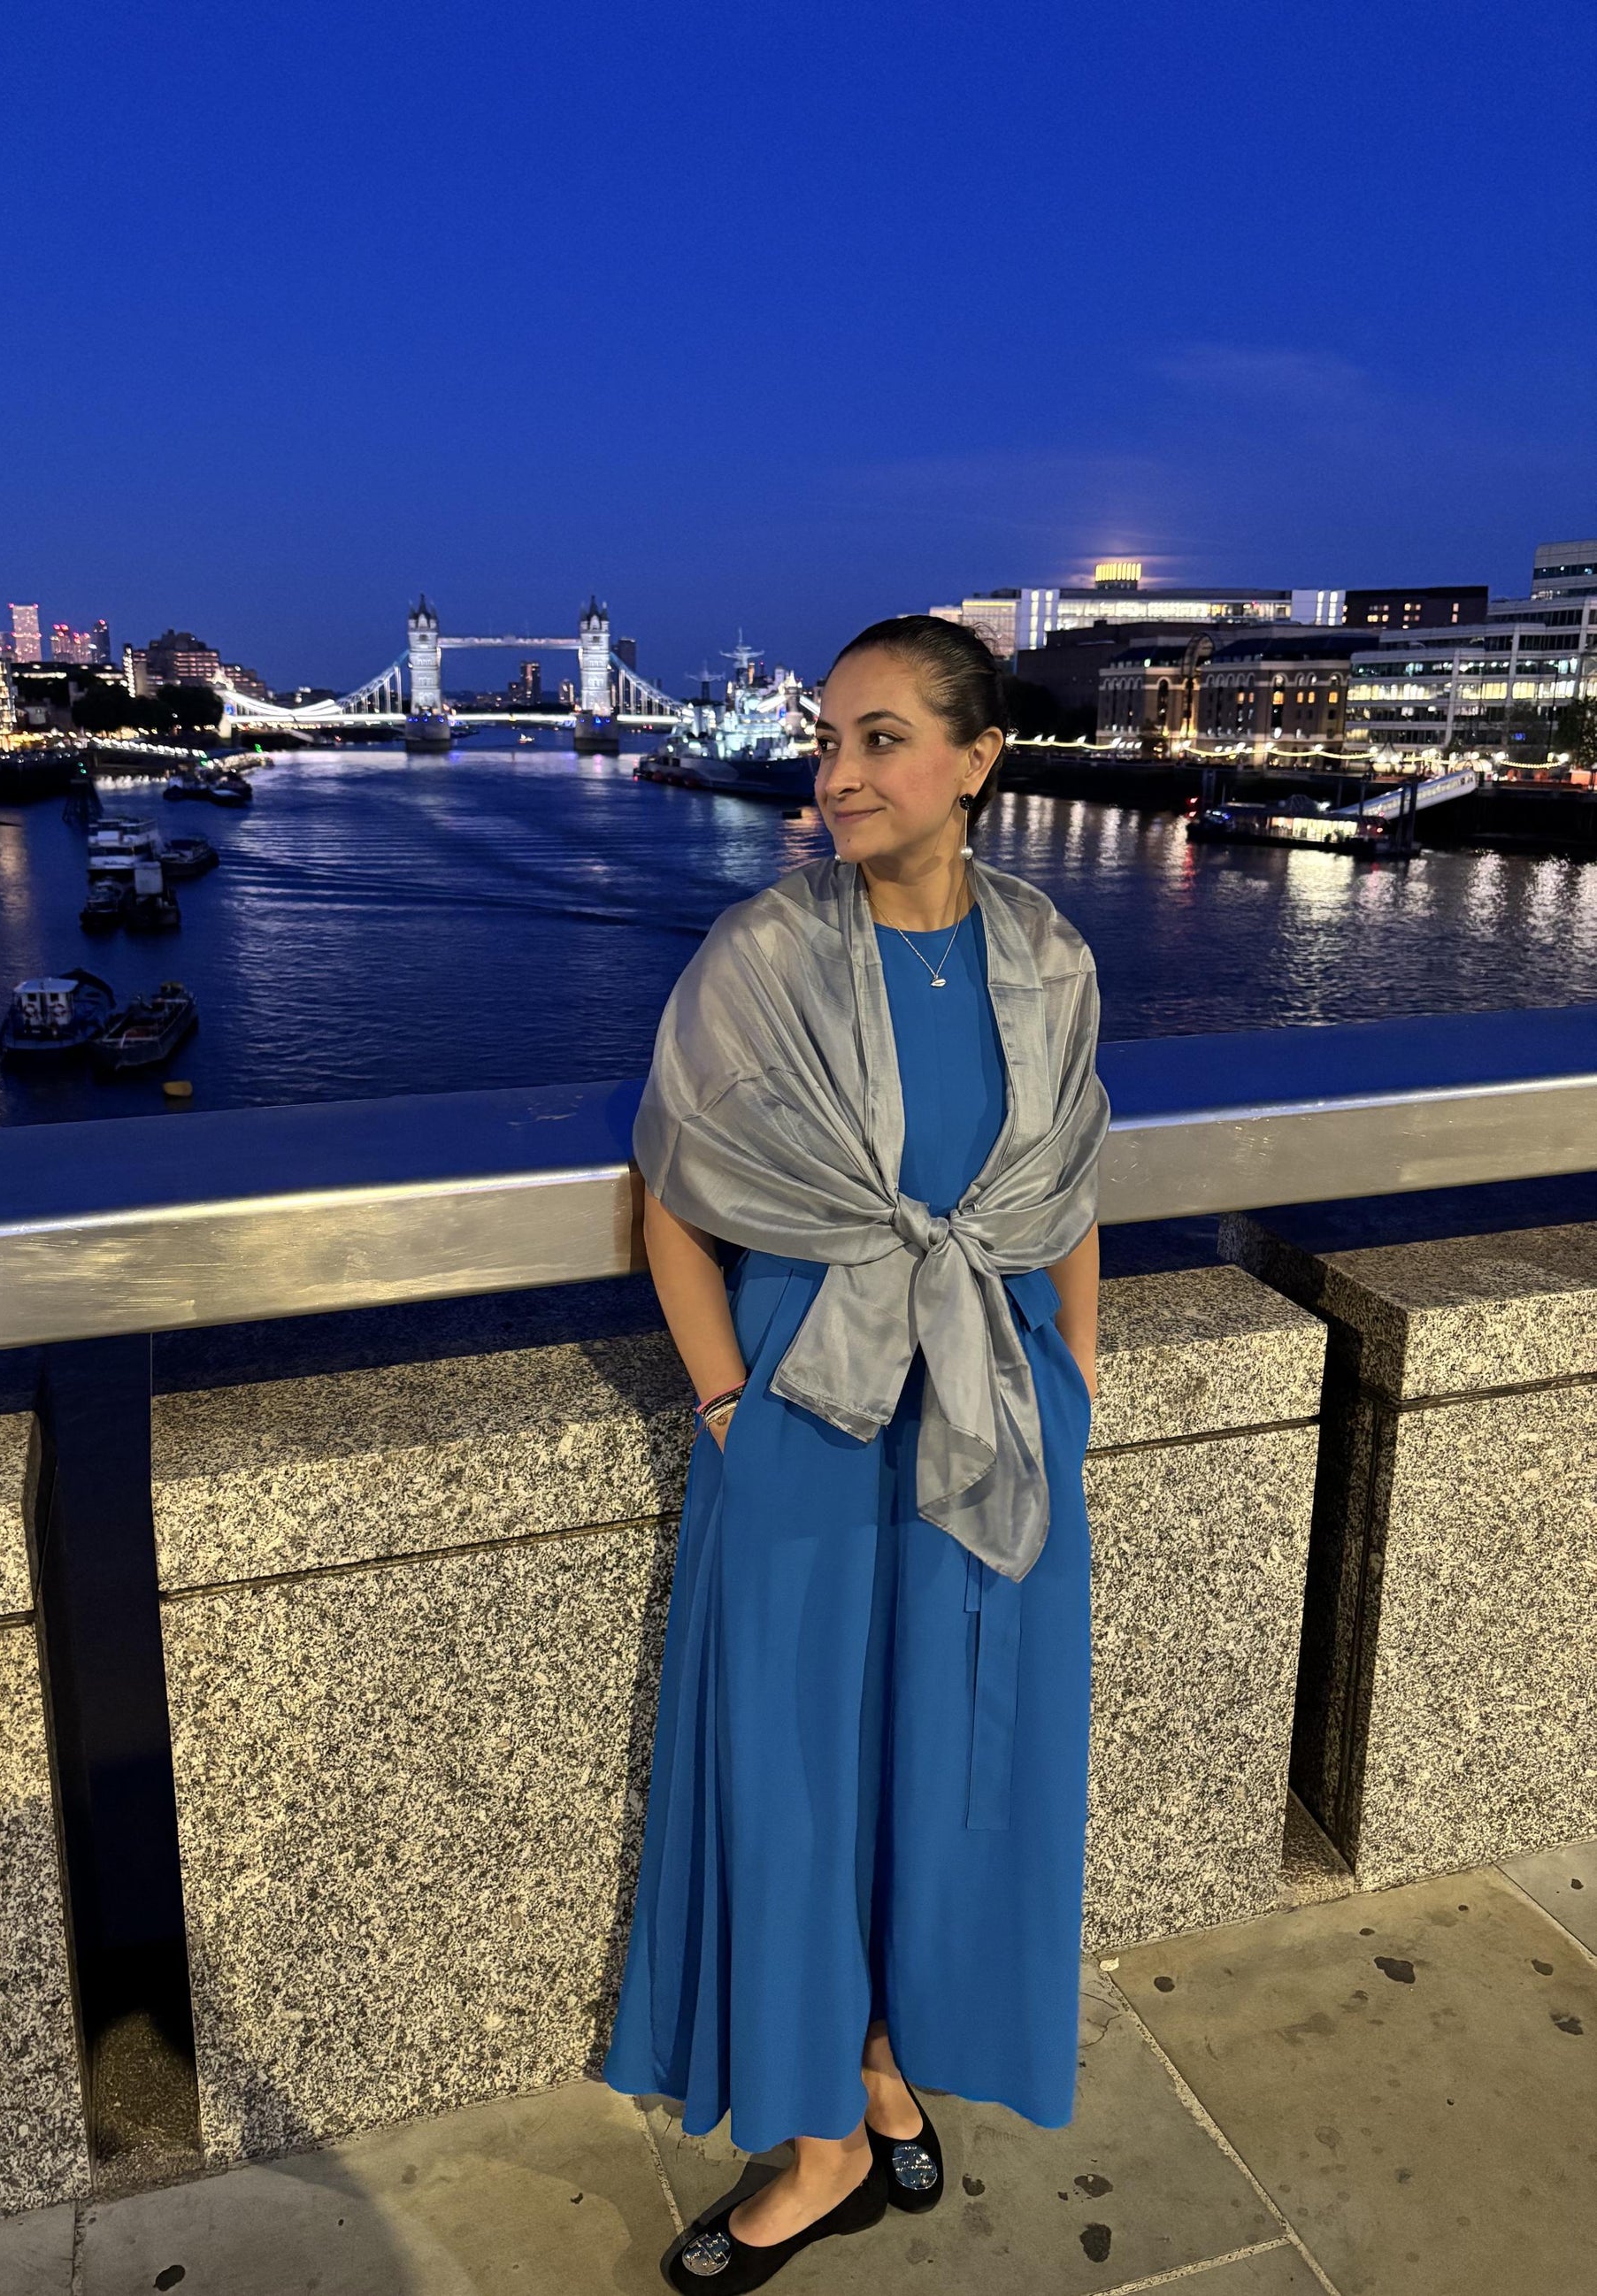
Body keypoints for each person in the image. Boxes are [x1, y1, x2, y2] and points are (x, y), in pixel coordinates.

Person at [601, 614, 1109, 2292]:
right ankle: (818, 2132)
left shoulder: (1046, 955)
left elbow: (1063, 1197)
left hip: (992, 1415)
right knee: (800, 1770)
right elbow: (672, 1197)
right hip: (807, 1418)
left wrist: (1072, 1384)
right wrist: (726, 1409)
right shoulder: (762, 952)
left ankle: (889, 2058)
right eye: (829, 740)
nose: (837, 774)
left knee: (942, 1761)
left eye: (882, 739)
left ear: (977, 760)